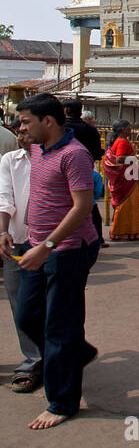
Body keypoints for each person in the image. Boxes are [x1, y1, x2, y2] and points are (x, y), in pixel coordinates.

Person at [14, 93, 99, 429]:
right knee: (28, 316)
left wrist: (47, 245)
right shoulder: (37, 149)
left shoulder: (74, 154)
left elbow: (81, 209)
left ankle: (62, 401)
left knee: (59, 324)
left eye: (25, 121)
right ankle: (76, 353)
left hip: (68, 250)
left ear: (47, 121)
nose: (21, 128)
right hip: (38, 245)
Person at [0, 119, 43, 393]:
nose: (21, 133)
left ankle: (53, 358)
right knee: (20, 304)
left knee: (50, 303)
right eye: (19, 129)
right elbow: (5, 197)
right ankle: (34, 358)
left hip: (49, 245)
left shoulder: (58, 158)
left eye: (27, 127)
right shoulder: (9, 160)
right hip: (15, 240)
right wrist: (2, 230)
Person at [62, 97, 105, 248]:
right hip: (86, 171)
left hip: (62, 174)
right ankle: (97, 238)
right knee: (88, 206)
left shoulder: (60, 128)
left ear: (65, 110)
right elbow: (97, 152)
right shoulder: (90, 130)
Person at [103, 119, 139, 241]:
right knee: (127, 205)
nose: (130, 130)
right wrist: (137, 157)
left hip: (128, 177)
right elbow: (119, 159)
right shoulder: (122, 142)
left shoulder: (119, 141)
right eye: (129, 127)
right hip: (126, 179)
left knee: (128, 205)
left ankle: (125, 231)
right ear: (123, 130)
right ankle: (121, 231)